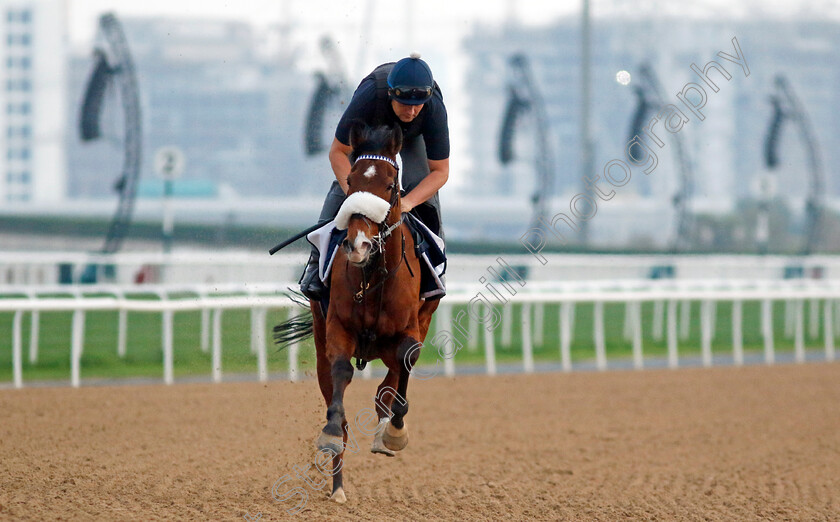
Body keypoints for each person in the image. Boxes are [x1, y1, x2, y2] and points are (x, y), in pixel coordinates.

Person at [300, 52, 450, 301]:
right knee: (347, 186)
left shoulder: (433, 108)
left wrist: (408, 203)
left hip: (414, 139)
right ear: (391, 94)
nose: (412, 112)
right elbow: (338, 152)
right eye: (405, 104)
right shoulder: (370, 96)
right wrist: (355, 195)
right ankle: (315, 266)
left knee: (423, 189)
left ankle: (434, 269)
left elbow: (440, 172)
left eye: (418, 105)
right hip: (369, 135)